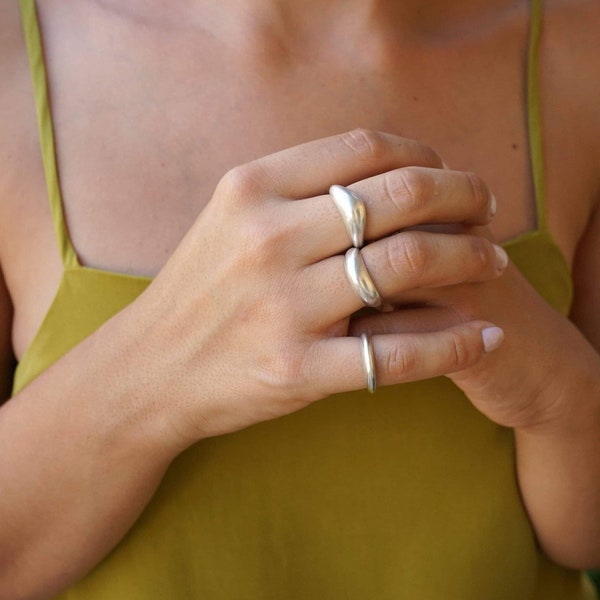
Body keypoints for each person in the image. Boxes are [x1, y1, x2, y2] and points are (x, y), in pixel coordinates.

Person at [0, 0, 599, 598]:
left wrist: (560, 394)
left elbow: (585, 540)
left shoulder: (582, 45)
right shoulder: (13, 54)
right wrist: (161, 366)